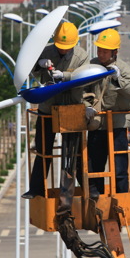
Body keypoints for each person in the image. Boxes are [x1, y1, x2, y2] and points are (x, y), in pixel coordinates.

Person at [22, 22, 89, 199]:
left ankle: (87, 189)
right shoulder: (45, 52)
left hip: (71, 109)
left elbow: (85, 78)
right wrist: (39, 64)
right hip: (48, 109)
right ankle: (36, 189)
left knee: (75, 153)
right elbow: (28, 71)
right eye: (60, 47)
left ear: (74, 44)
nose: (63, 51)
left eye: (66, 48)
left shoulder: (82, 56)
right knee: (43, 151)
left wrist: (66, 76)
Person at [86, 28, 130, 199]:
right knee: (95, 166)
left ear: (114, 52)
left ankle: (122, 198)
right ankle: (97, 197)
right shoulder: (92, 66)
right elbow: (82, 89)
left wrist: (118, 78)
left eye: (105, 51)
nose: (101, 54)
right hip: (97, 124)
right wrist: (87, 106)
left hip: (117, 125)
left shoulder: (123, 69)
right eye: (99, 50)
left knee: (119, 166)